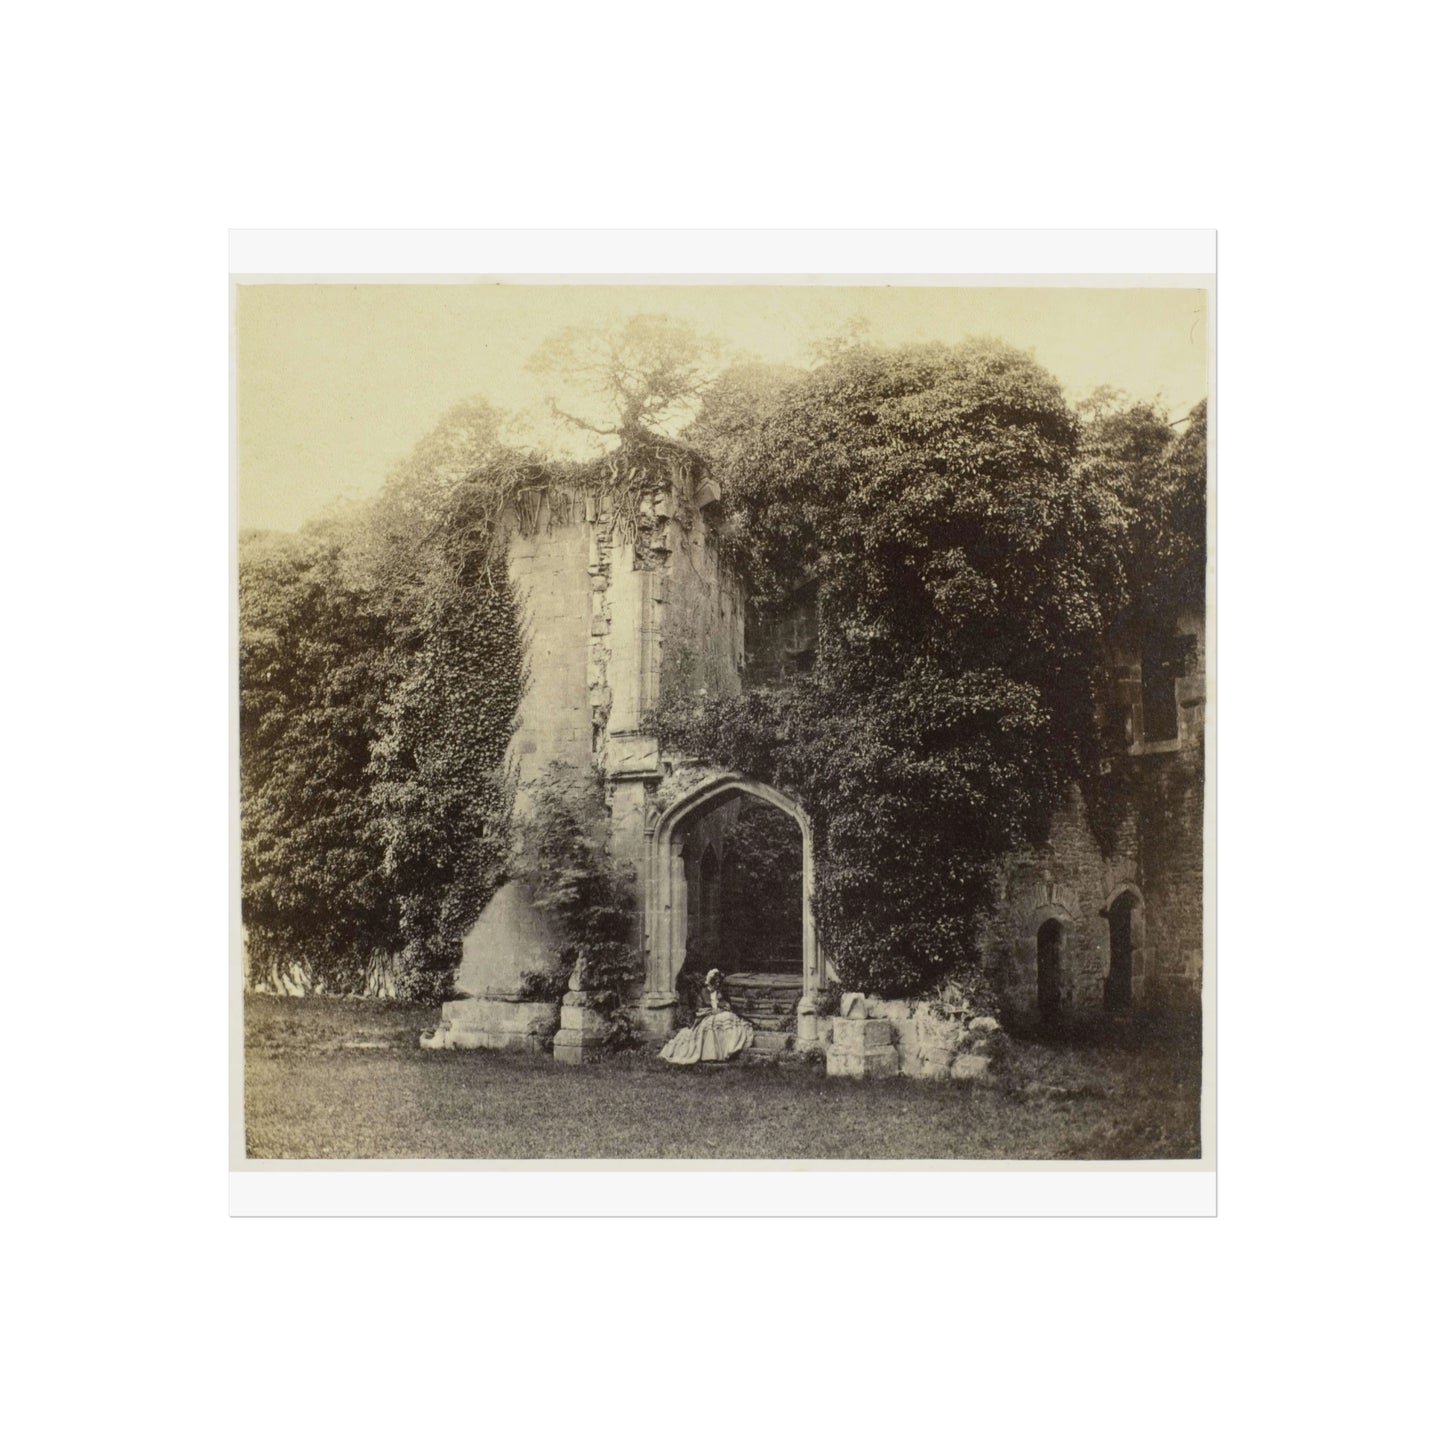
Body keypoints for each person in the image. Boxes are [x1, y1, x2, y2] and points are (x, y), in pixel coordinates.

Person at [659, 968, 754, 1065]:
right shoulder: (703, 992)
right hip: (706, 1016)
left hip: (720, 1013)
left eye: (718, 984)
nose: (717, 986)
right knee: (711, 1023)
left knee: (728, 1017)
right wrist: (712, 1011)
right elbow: (700, 1009)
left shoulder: (719, 993)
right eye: (715, 983)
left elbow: (726, 1004)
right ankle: (712, 1054)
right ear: (710, 982)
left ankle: (730, 1049)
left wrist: (724, 1004)